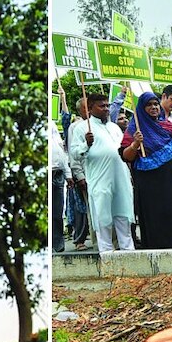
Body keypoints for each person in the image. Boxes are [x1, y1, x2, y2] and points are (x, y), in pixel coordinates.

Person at [119, 92, 172, 249]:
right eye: (149, 105)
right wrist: (135, 144)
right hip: (152, 185)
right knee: (157, 216)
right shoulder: (135, 128)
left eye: (155, 104)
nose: (154, 107)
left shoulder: (167, 125)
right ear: (141, 108)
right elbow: (125, 156)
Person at [69, 93, 135, 251]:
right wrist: (86, 144)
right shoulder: (82, 128)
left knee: (123, 214)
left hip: (121, 176)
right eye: (102, 106)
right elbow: (75, 154)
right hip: (99, 178)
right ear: (90, 108)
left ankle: (128, 252)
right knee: (102, 216)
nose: (106, 109)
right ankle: (106, 254)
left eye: (107, 105)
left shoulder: (114, 127)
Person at [65, 96, 92, 249]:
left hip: (98, 171)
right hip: (83, 172)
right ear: (82, 110)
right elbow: (73, 152)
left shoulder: (100, 124)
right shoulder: (75, 127)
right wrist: (78, 174)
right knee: (82, 207)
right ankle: (79, 239)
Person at [50, 119, 69, 252]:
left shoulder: (52, 125)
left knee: (57, 212)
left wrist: (68, 174)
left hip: (58, 174)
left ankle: (58, 242)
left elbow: (61, 150)